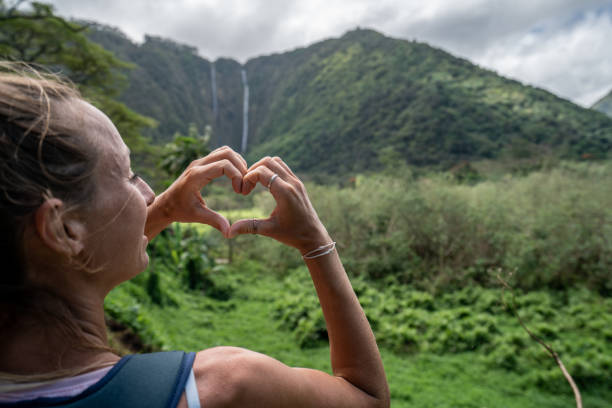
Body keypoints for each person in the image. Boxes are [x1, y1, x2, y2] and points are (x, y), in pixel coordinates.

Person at [0, 65, 390, 408]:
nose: (150, 192)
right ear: (63, 228)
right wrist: (315, 242)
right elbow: (367, 397)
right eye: (128, 174)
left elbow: (66, 269)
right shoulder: (225, 387)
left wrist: (165, 212)